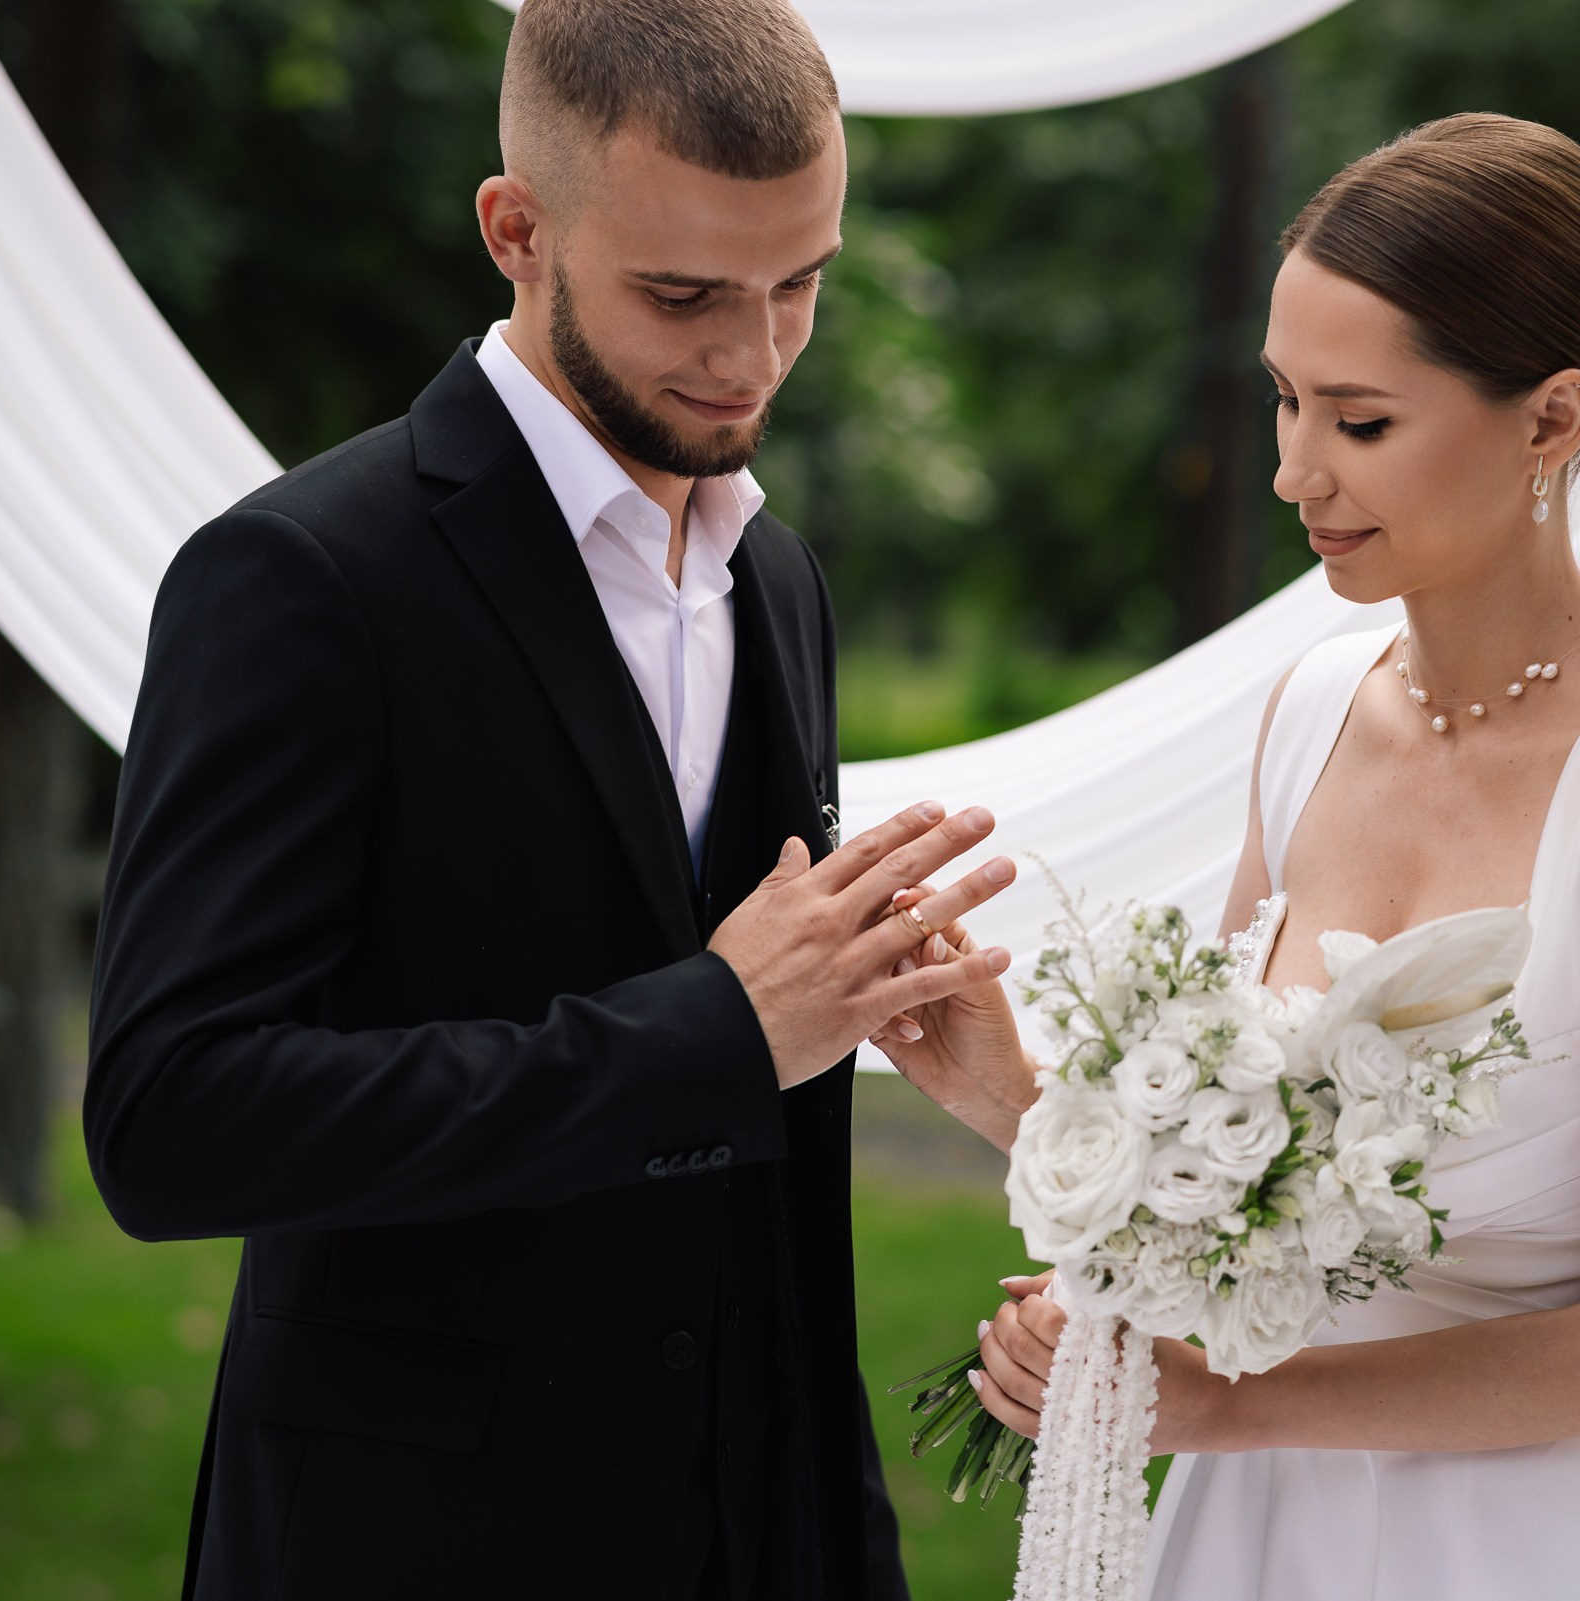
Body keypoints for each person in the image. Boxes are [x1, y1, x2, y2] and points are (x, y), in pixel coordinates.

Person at [878, 114, 1580, 1599]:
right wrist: (1005, 1095)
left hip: (1517, 1549)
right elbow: (1237, 1207)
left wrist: (1235, 1402)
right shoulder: (1308, 719)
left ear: (1551, 419)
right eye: (1281, 402)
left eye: (1359, 422)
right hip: (1253, 1539)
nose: (1293, 475)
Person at [82, 2, 1015, 1597]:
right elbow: (172, 1122)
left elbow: (767, 1175)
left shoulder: (774, 579)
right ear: (516, 229)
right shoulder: (303, 577)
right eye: (683, 294)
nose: (753, 355)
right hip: (413, 1546)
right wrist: (714, 1027)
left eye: (800, 283)